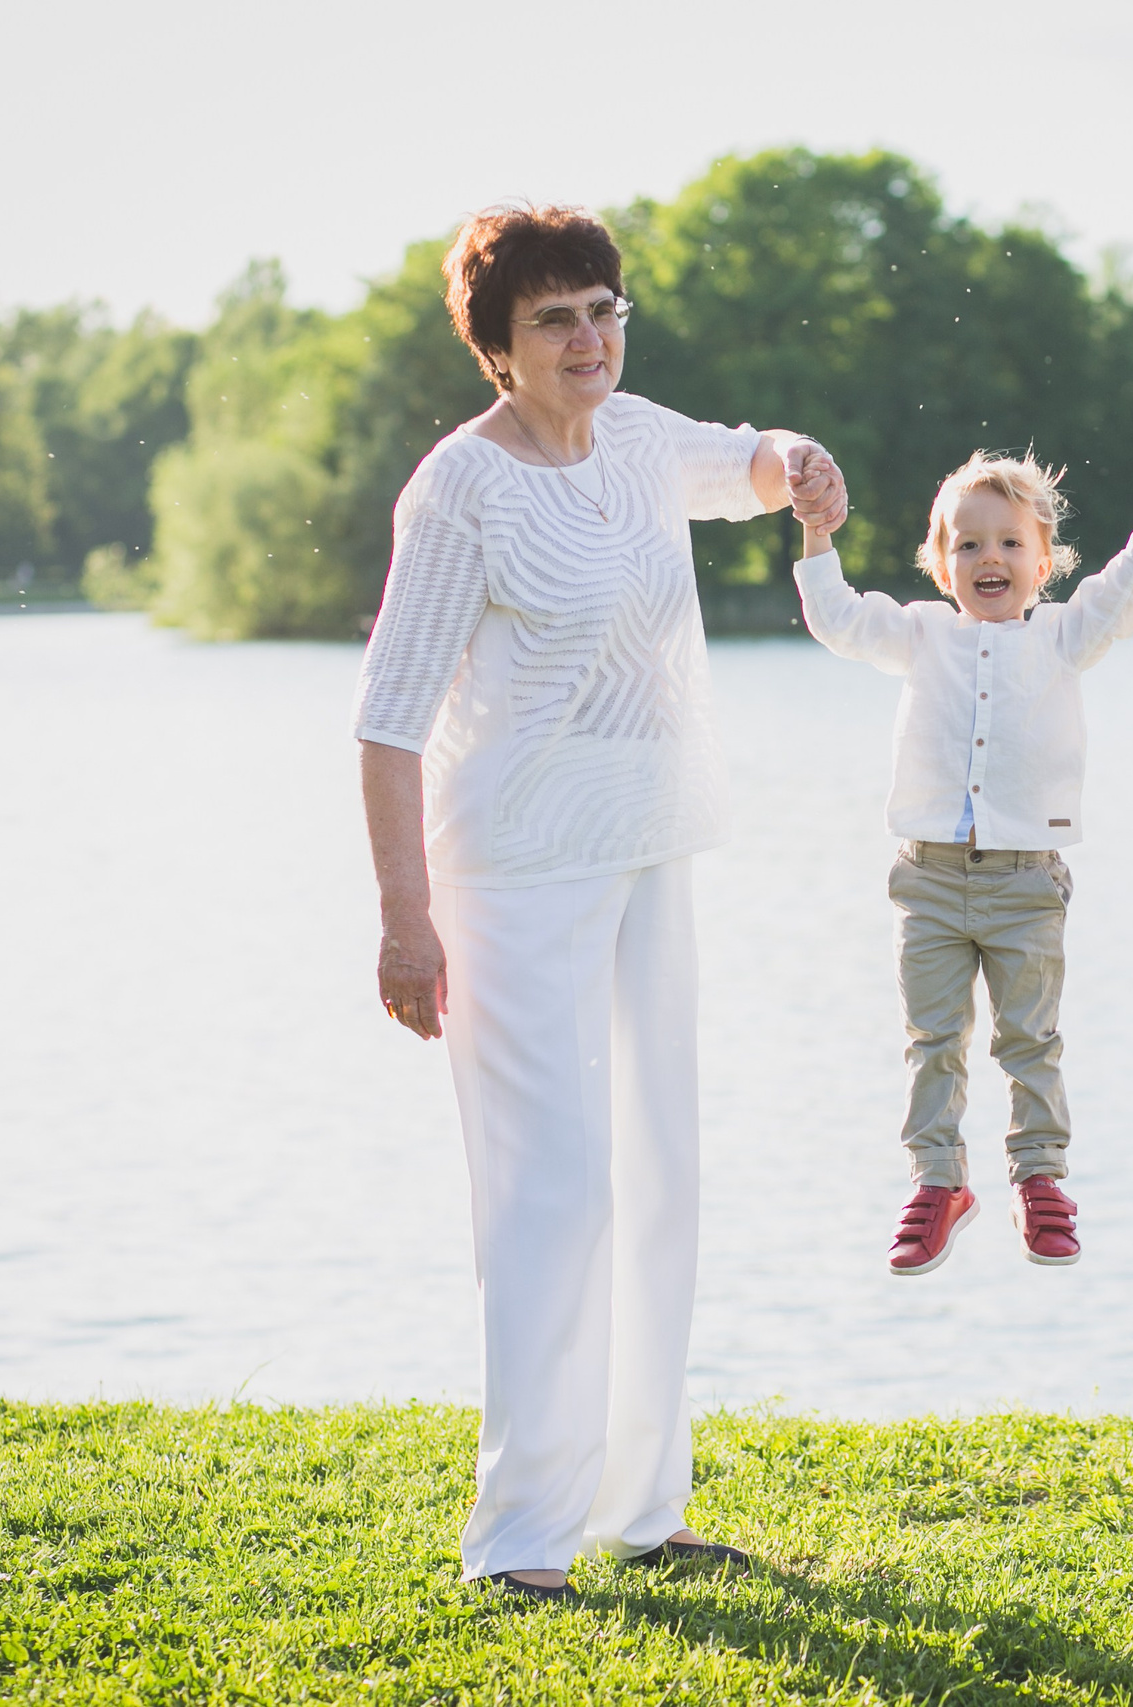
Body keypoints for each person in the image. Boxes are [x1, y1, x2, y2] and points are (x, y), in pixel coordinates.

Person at [352, 202, 846, 1604]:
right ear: (498, 351)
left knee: (660, 1175)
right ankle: (517, 1536)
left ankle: (642, 1505)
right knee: (550, 1189)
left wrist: (791, 462)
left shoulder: (631, 435)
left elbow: (740, 465)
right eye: (556, 319)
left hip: (652, 846)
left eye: (606, 309)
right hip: (509, 874)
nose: (590, 339)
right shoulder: (462, 489)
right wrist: (404, 917)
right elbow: (387, 719)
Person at [792, 450, 1133, 1276]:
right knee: (932, 1039)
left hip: (1023, 882)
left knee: (1029, 1038)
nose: (989, 560)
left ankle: (1040, 1175)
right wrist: (814, 529)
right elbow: (837, 618)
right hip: (928, 880)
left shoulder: (1060, 637)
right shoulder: (920, 634)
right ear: (940, 564)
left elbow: (1124, 590)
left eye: (1010, 543)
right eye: (967, 545)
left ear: (1042, 560)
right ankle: (938, 1179)